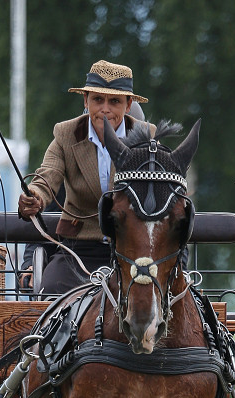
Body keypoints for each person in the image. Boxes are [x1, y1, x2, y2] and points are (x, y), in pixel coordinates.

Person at [18, 59, 150, 294]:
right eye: (98, 99)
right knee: (50, 295)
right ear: (86, 101)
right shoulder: (65, 134)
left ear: (128, 105)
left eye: (115, 101)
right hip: (77, 250)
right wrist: (35, 197)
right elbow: (47, 177)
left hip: (133, 249)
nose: (105, 109)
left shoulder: (146, 140)